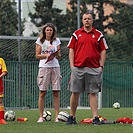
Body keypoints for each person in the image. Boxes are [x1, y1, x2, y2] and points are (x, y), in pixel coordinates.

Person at [66, 12, 108, 125]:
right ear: (82, 20)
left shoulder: (98, 35)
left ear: (92, 20)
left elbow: (104, 50)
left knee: (92, 93)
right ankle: (72, 117)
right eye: (85, 19)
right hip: (78, 68)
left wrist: (101, 66)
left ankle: (95, 117)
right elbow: (71, 50)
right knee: (75, 92)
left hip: (94, 68)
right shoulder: (76, 34)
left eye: (89, 19)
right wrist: (72, 66)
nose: (87, 20)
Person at [35, 23, 61, 123]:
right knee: (43, 92)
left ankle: (57, 116)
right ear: (44, 31)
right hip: (44, 67)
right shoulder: (40, 41)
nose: (49, 32)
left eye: (51, 30)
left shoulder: (56, 41)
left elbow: (59, 56)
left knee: (56, 92)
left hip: (55, 67)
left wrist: (56, 53)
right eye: (47, 30)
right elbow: (37, 55)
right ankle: (41, 116)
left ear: (53, 31)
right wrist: (46, 55)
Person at [0, 58, 8, 124]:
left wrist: (0, 76)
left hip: (0, 84)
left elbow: (4, 71)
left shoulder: (1, 60)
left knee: (0, 101)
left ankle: (1, 119)